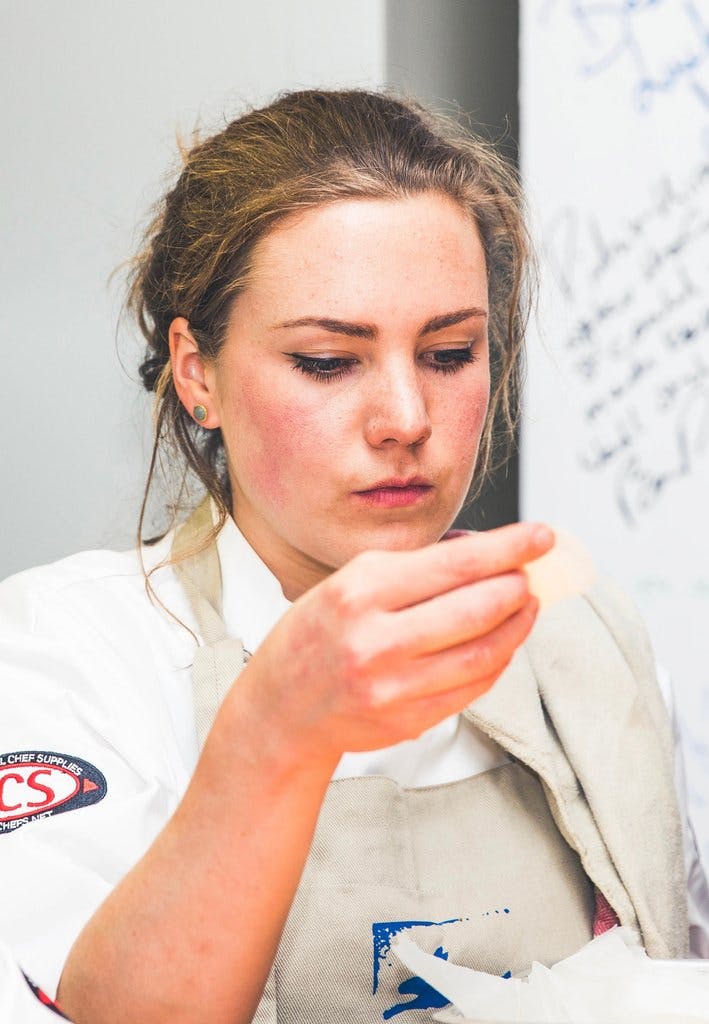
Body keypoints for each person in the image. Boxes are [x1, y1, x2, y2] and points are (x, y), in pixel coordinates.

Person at [0, 89, 705, 1024]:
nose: (405, 420)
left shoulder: (585, 647)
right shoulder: (69, 659)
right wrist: (279, 729)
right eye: (329, 363)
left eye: (450, 353)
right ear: (196, 370)